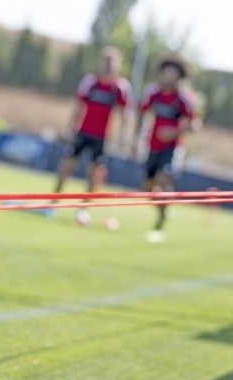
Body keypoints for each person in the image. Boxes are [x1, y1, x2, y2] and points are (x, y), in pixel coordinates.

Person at [52, 46, 132, 226]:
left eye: (112, 63)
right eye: (106, 61)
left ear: (117, 65)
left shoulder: (119, 87)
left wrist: (124, 136)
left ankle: (83, 210)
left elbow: (124, 114)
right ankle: (52, 204)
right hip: (82, 133)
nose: (108, 66)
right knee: (66, 167)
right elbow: (78, 106)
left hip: (101, 137)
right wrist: (71, 128)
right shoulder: (90, 82)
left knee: (93, 174)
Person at [136, 54, 201, 243]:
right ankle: (163, 210)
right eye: (166, 73)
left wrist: (174, 131)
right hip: (152, 147)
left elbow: (195, 125)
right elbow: (142, 113)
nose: (169, 77)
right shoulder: (153, 93)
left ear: (179, 77)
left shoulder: (183, 99)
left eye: (173, 75)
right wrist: (135, 138)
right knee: (147, 188)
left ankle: (161, 219)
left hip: (172, 149)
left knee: (164, 179)